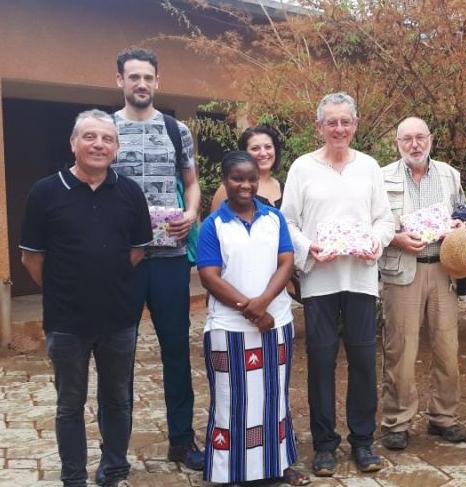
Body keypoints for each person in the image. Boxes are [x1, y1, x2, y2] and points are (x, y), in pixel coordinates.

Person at [20, 110, 152, 487]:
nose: (99, 145)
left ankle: (113, 470)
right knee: (69, 405)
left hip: (118, 319)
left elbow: (136, 251)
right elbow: (32, 258)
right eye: (90, 137)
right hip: (66, 323)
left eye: (107, 139)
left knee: (117, 401)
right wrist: (68, 287)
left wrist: (102, 280)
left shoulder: (129, 192)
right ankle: (73, 477)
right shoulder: (45, 192)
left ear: (116, 148)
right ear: (73, 143)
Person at [280, 92, 394, 476]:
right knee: (322, 362)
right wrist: (309, 247)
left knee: (363, 361)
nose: (339, 128)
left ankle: (362, 441)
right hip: (319, 280)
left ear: (355, 124)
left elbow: (385, 219)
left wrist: (374, 243)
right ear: (320, 126)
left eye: (346, 121)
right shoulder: (302, 168)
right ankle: (325, 444)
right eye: (332, 122)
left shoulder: (370, 167)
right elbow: (288, 223)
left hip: (361, 279)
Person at [112, 47, 204, 470]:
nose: (141, 84)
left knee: (175, 351)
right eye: (133, 77)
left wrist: (190, 214)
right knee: (118, 354)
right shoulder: (107, 129)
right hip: (122, 261)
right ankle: (115, 454)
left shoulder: (175, 128)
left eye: (147, 77)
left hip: (168, 258)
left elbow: (192, 182)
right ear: (120, 81)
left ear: (157, 81)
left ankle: (182, 443)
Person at [197, 151, 309, 486]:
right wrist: (249, 309)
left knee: (274, 397)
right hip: (229, 329)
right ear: (224, 181)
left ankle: (279, 464)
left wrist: (263, 304)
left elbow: (286, 262)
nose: (245, 185)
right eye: (237, 178)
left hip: (274, 324)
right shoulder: (213, 225)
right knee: (232, 402)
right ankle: (231, 470)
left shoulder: (274, 219)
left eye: (251, 179)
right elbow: (209, 276)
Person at [378, 117, 466, 450]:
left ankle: (444, 417)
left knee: (448, 347)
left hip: (442, 269)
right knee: (400, 348)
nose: (414, 145)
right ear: (397, 143)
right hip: (402, 269)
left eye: (420, 137)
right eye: (406, 139)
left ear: (431, 139)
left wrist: (461, 223)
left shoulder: (449, 174)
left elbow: (464, 210)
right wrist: (396, 238)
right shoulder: (382, 176)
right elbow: (373, 222)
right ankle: (397, 421)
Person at [210, 125, 284, 211]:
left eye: (268, 147)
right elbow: (215, 221)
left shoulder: (286, 188)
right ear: (244, 153)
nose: (263, 153)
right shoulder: (230, 188)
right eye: (255, 148)